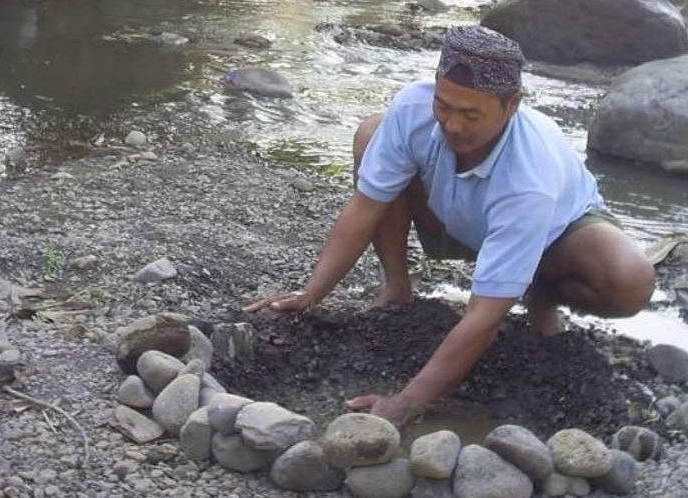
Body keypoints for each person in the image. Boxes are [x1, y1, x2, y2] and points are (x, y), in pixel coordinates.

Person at [244, 26, 655, 427]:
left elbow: (483, 318)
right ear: (436, 86)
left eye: (471, 114)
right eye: (444, 106)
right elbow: (365, 207)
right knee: (374, 133)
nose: (453, 125)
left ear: (511, 105)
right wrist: (311, 294)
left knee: (629, 280)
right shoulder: (413, 108)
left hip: (553, 239)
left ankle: (537, 292)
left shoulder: (530, 177)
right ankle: (396, 287)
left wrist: (408, 402)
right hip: (454, 210)